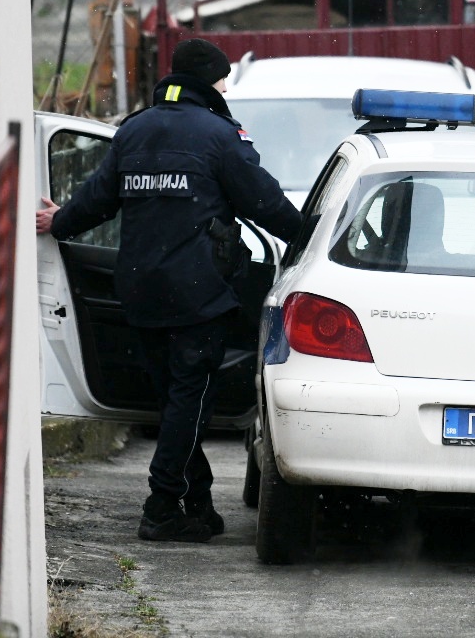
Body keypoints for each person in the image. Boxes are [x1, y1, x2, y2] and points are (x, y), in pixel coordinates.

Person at [36, 39, 302, 542]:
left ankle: (195, 503)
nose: (227, 88)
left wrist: (59, 220)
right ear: (211, 80)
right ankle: (161, 505)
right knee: (191, 403)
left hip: (139, 291)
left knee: (177, 404)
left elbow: (97, 199)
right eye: (224, 79)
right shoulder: (220, 136)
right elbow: (264, 202)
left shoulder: (134, 130)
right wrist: (313, 241)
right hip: (197, 295)